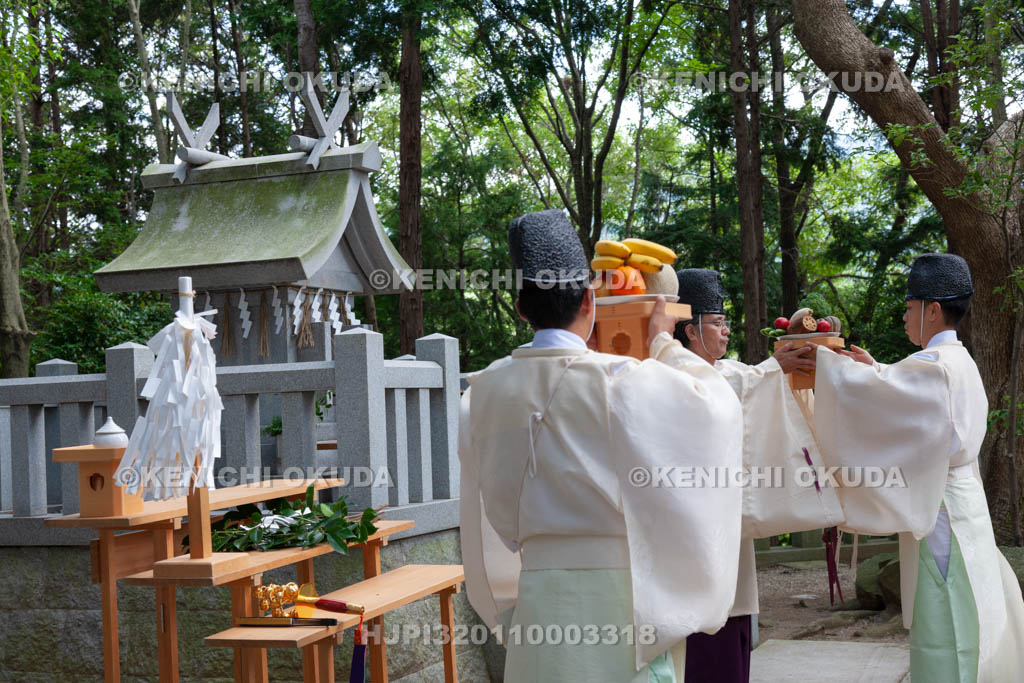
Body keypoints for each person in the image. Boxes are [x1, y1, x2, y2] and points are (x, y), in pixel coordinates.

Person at [459, 210, 745, 682]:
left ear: (521, 308)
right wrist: (664, 344)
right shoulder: (620, 381)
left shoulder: (480, 393)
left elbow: (494, 521)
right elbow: (715, 408)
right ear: (590, 301)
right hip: (619, 598)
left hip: (539, 600)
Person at [813, 253, 1024, 681]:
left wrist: (827, 365)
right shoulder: (958, 361)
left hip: (943, 508)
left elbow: (894, 399)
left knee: (947, 611)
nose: (905, 316)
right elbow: (905, 396)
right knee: (969, 603)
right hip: (963, 501)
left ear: (932, 310)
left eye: (910, 307)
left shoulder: (934, 366)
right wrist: (876, 371)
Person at [671, 269, 845, 683]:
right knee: (702, 637)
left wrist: (790, 365)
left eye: (726, 322)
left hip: (726, 521)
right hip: (691, 522)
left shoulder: (726, 370)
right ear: (690, 331)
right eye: (717, 323)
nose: (726, 331)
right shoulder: (674, 373)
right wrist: (770, 370)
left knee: (733, 624)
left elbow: (748, 384)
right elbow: (728, 388)